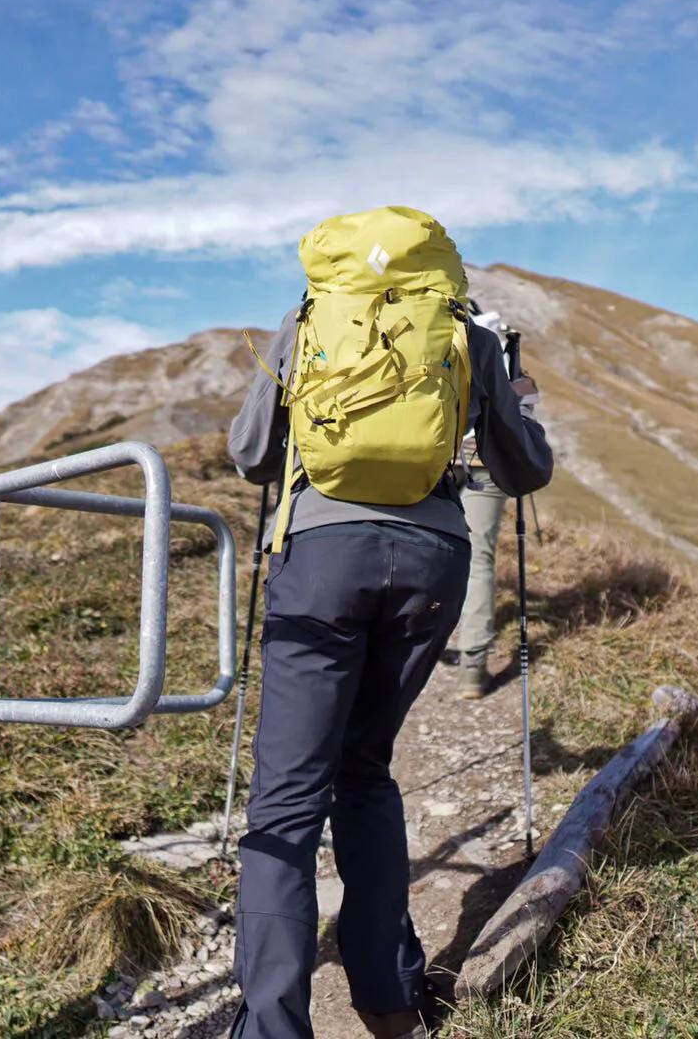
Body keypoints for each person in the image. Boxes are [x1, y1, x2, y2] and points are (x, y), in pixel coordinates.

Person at [226, 231, 552, 1038]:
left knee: (288, 796)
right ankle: (388, 1000)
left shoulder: (307, 323)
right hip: (431, 561)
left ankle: (272, 1028)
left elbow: (250, 455)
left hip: (323, 561)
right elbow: (524, 472)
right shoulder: (467, 333)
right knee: (365, 768)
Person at [452, 306, 516, 700]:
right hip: (483, 459)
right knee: (479, 558)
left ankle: (409, 647)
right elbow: (518, 406)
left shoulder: (418, 319)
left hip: (434, 455)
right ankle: (472, 667)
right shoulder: (497, 336)